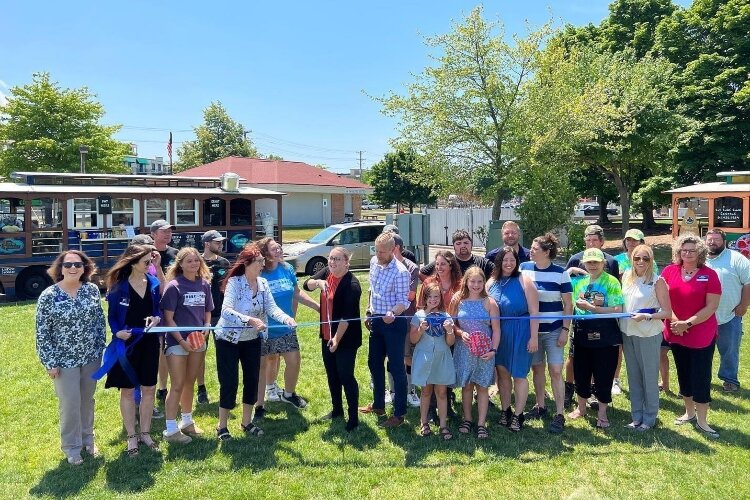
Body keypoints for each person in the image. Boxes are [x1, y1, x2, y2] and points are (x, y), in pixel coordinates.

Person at [213, 245, 296, 440]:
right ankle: (222, 426)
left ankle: (246, 422)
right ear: (248, 263)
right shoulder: (235, 282)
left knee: (252, 380)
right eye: (259, 261)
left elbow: (272, 308)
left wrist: (287, 319)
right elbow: (226, 311)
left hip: (251, 340)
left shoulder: (263, 284)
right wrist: (249, 320)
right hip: (228, 340)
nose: (263, 264)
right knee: (229, 382)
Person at [35, 250, 106, 465]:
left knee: (87, 401)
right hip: (63, 361)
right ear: (60, 268)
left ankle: (88, 440)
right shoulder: (49, 296)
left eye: (77, 264)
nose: (73, 268)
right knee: (70, 403)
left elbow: (99, 322)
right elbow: (42, 332)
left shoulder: (92, 290)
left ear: (85, 268)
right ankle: (71, 447)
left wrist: (100, 348)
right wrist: (50, 363)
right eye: (68, 265)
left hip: (90, 358)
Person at [103, 245, 162, 454]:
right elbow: (112, 317)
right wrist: (118, 332)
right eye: (146, 262)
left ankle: (145, 433)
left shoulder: (154, 283)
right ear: (133, 262)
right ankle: (131, 436)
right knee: (127, 391)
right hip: (126, 345)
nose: (150, 265)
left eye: (151, 261)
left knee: (149, 388)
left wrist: (157, 318)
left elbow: (157, 311)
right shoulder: (118, 286)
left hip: (149, 343)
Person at [662, 235, 721, 438]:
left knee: (701, 376)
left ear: (700, 253)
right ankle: (688, 412)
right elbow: (663, 300)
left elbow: (712, 306)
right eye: (684, 250)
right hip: (676, 330)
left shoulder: (709, 275)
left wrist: (688, 323)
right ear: (678, 252)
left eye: (692, 250)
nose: (687, 253)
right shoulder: (669, 271)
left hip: (701, 333)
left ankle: (703, 420)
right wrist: (676, 322)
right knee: (683, 373)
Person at [254, 237, 319, 422]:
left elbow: (296, 292)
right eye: (275, 249)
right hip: (264, 329)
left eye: (279, 247)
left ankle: (288, 394)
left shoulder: (287, 269)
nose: (279, 251)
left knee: (294, 360)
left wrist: (317, 307)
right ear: (265, 254)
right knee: (266, 363)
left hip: (286, 327)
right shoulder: (259, 273)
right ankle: (262, 400)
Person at [304, 246, 362, 432]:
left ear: (346, 262)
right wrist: (318, 284)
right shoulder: (327, 272)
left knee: (345, 375)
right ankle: (337, 409)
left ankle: (353, 418)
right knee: (332, 375)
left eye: (337, 259)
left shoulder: (352, 285)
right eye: (331, 258)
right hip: (326, 335)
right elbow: (306, 284)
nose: (333, 262)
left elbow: (346, 317)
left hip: (345, 338)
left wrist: (336, 340)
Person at [160, 247, 214, 444]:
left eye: (196, 260)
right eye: (189, 261)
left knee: (189, 382)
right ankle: (171, 430)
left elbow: (208, 311)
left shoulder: (204, 285)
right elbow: (168, 318)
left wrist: (206, 328)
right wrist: (181, 341)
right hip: (177, 343)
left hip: (198, 342)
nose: (194, 264)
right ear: (180, 264)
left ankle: (187, 422)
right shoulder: (173, 286)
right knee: (177, 385)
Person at [520, 233, 573, 434]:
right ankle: (540, 406)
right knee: (537, 369)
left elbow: (568, 304)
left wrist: (565, 330)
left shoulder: (561, 273)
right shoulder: (524, 269)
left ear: (546, 252)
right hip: (532, 330)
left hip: (554, 330)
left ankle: (560, 413)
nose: (530, 251)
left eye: (534, 248)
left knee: (556, 370)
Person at [359, 232, 411, 427]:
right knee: (374, 363)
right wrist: (368, 311)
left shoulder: (400, 272)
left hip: (394, 323)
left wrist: (392, 312)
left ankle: (399, 414)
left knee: (396, 367)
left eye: (382, 252)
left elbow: (403, 302)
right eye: (376, 250)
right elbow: (372, 289)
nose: (378, 254)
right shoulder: (373, 262)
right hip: (376, 321)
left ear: (393, 250)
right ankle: (379, 404)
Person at [564, 224, 619, 406]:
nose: (591, 243)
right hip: (579, 320)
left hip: (604, 322)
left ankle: (596, 393)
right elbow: (566, 288)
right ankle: (570, 390)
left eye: (595, 239)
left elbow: (615, 296)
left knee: (600, 360)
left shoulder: (611, 261)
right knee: (575, 357)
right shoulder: (575, 259)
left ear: (602, 242)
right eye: (588, 240)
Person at [568, 248, 624, 430]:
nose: (592, 265)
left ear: (603, 263)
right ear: (583, 263)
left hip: (605, 334)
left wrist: (593, 308)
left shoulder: (611, 282)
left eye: (596, 262)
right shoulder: (579, 281)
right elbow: (564, 293)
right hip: (581, 332)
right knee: (581, 372)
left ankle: (602, 412)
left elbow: (618, 310)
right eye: (589, 262)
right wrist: (568, 272)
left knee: (603, 374)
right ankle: (581, 407)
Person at [619, 244, 672, 431]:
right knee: (633, 376)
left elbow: (667, 312)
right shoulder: (626, 277)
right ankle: (636, 416)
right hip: (628, 333)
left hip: (648, 334)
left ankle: (649, 417)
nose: (641, 262)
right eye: (637, 258)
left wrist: (647, 316)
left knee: (649, 377)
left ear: (651, 261)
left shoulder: (658, 282)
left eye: (645, 258)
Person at [487, 246, 539, 432]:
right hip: (499, 332)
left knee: (519, 374)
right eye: (505, 260)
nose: (508, 263)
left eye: (512, 259)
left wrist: (533, 337)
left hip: (521, 330)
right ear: (498, 262)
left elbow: (534, 312)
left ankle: (518, 415)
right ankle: (505, 410)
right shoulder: (492, 282)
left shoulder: (524, 280)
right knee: (502, 373)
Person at [450, 267, 501, 439]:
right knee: (466, 386)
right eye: (472, 281)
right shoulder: (458, 300)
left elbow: (496, 329)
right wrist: (459, 332)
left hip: (484, 351)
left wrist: (493, 350)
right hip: (464, 350)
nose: (476, 285)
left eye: (480, 281)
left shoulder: (489, 302)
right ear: (466, 282)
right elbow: (451, 324)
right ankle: (467, 419)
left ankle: (481, 423)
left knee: (482, 386)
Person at [705, 229, 750, 392]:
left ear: (723, 242)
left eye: (716, 239)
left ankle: (730, 380)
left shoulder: (736, 259)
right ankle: (703, 378)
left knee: (730, 350)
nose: (712, 242)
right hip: (703, 316)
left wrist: (743, 306)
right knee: (702, 350)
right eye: (709, 239)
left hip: (730, 314)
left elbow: (748, 283)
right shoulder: (699, 259)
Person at [409, 283, 456, 440]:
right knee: (426, 391)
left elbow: (450, 342)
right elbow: (413, 339)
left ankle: (443, 425)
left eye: (437, 297)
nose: (433, 299)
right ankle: (424, 422)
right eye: (430, 296)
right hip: (424, 358)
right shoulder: (418, 315)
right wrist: (421, 329)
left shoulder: (446, 316)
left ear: (440, 298)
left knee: (442, 393)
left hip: (442, 358)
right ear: (425, 298)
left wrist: (449, 330)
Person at [197, 230, 230, 405]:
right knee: (200, 352)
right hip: (200, 316)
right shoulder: (197, 262)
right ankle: (201, 389)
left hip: (222, 315)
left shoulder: (225, 263)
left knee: (223, 353)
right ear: (207, 243)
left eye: (221, 242)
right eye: (217, 242)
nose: (221, 245)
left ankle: (225, 387)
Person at [150, 220, 177, 406]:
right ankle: (158, 386)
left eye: (169, 231)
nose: (168, 234)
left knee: (169, 345)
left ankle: (166, 386)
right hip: (153, 306)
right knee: (157, 347)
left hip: (172, 305)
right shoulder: (146, 253)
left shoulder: (175, 253)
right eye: (163, 231)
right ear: (153, 234)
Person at [392, 234, 421, 408]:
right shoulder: (381, 265)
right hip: (386, 320)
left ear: (396, 247)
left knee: (407, 356)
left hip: (405, 319)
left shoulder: (411, 268)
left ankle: (411, 391)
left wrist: (388, 296)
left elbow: (410, 295)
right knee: (391, 356)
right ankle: (393, 391)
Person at [420, 229, 494, 280]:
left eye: (466, 243)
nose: (463, 246)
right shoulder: (447, 261)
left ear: (471, 244)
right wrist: (433, 285)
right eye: (458, 243)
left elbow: (497, 275)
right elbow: (421, 273)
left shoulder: (484, 263)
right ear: (453, 246)